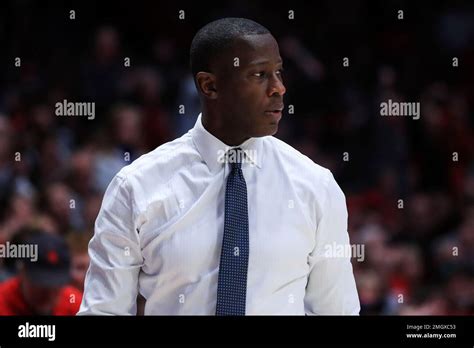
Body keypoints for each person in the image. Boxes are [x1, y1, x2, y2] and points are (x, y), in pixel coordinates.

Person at [78, 17, 360, 315]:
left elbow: (335, 311)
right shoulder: (136, 186)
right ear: (209, 85)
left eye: (278, 72)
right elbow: (104, 311)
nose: (279, 88)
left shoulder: (316, 186)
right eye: (260, 74)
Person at [0, 231, 82, 315]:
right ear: (22, 272)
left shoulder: (74, 302)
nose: (48, 293)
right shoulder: (3, 301)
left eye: (55, 284)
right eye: (40, 284)